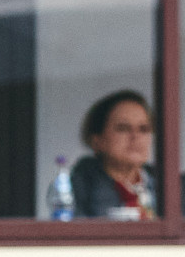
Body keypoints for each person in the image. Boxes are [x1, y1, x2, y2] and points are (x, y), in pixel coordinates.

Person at [63, 90, 157, 218]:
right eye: (123, 128)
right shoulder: (78, 189)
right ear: (97, 141)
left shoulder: (169, 187)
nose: (136, 136)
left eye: (144, 129)